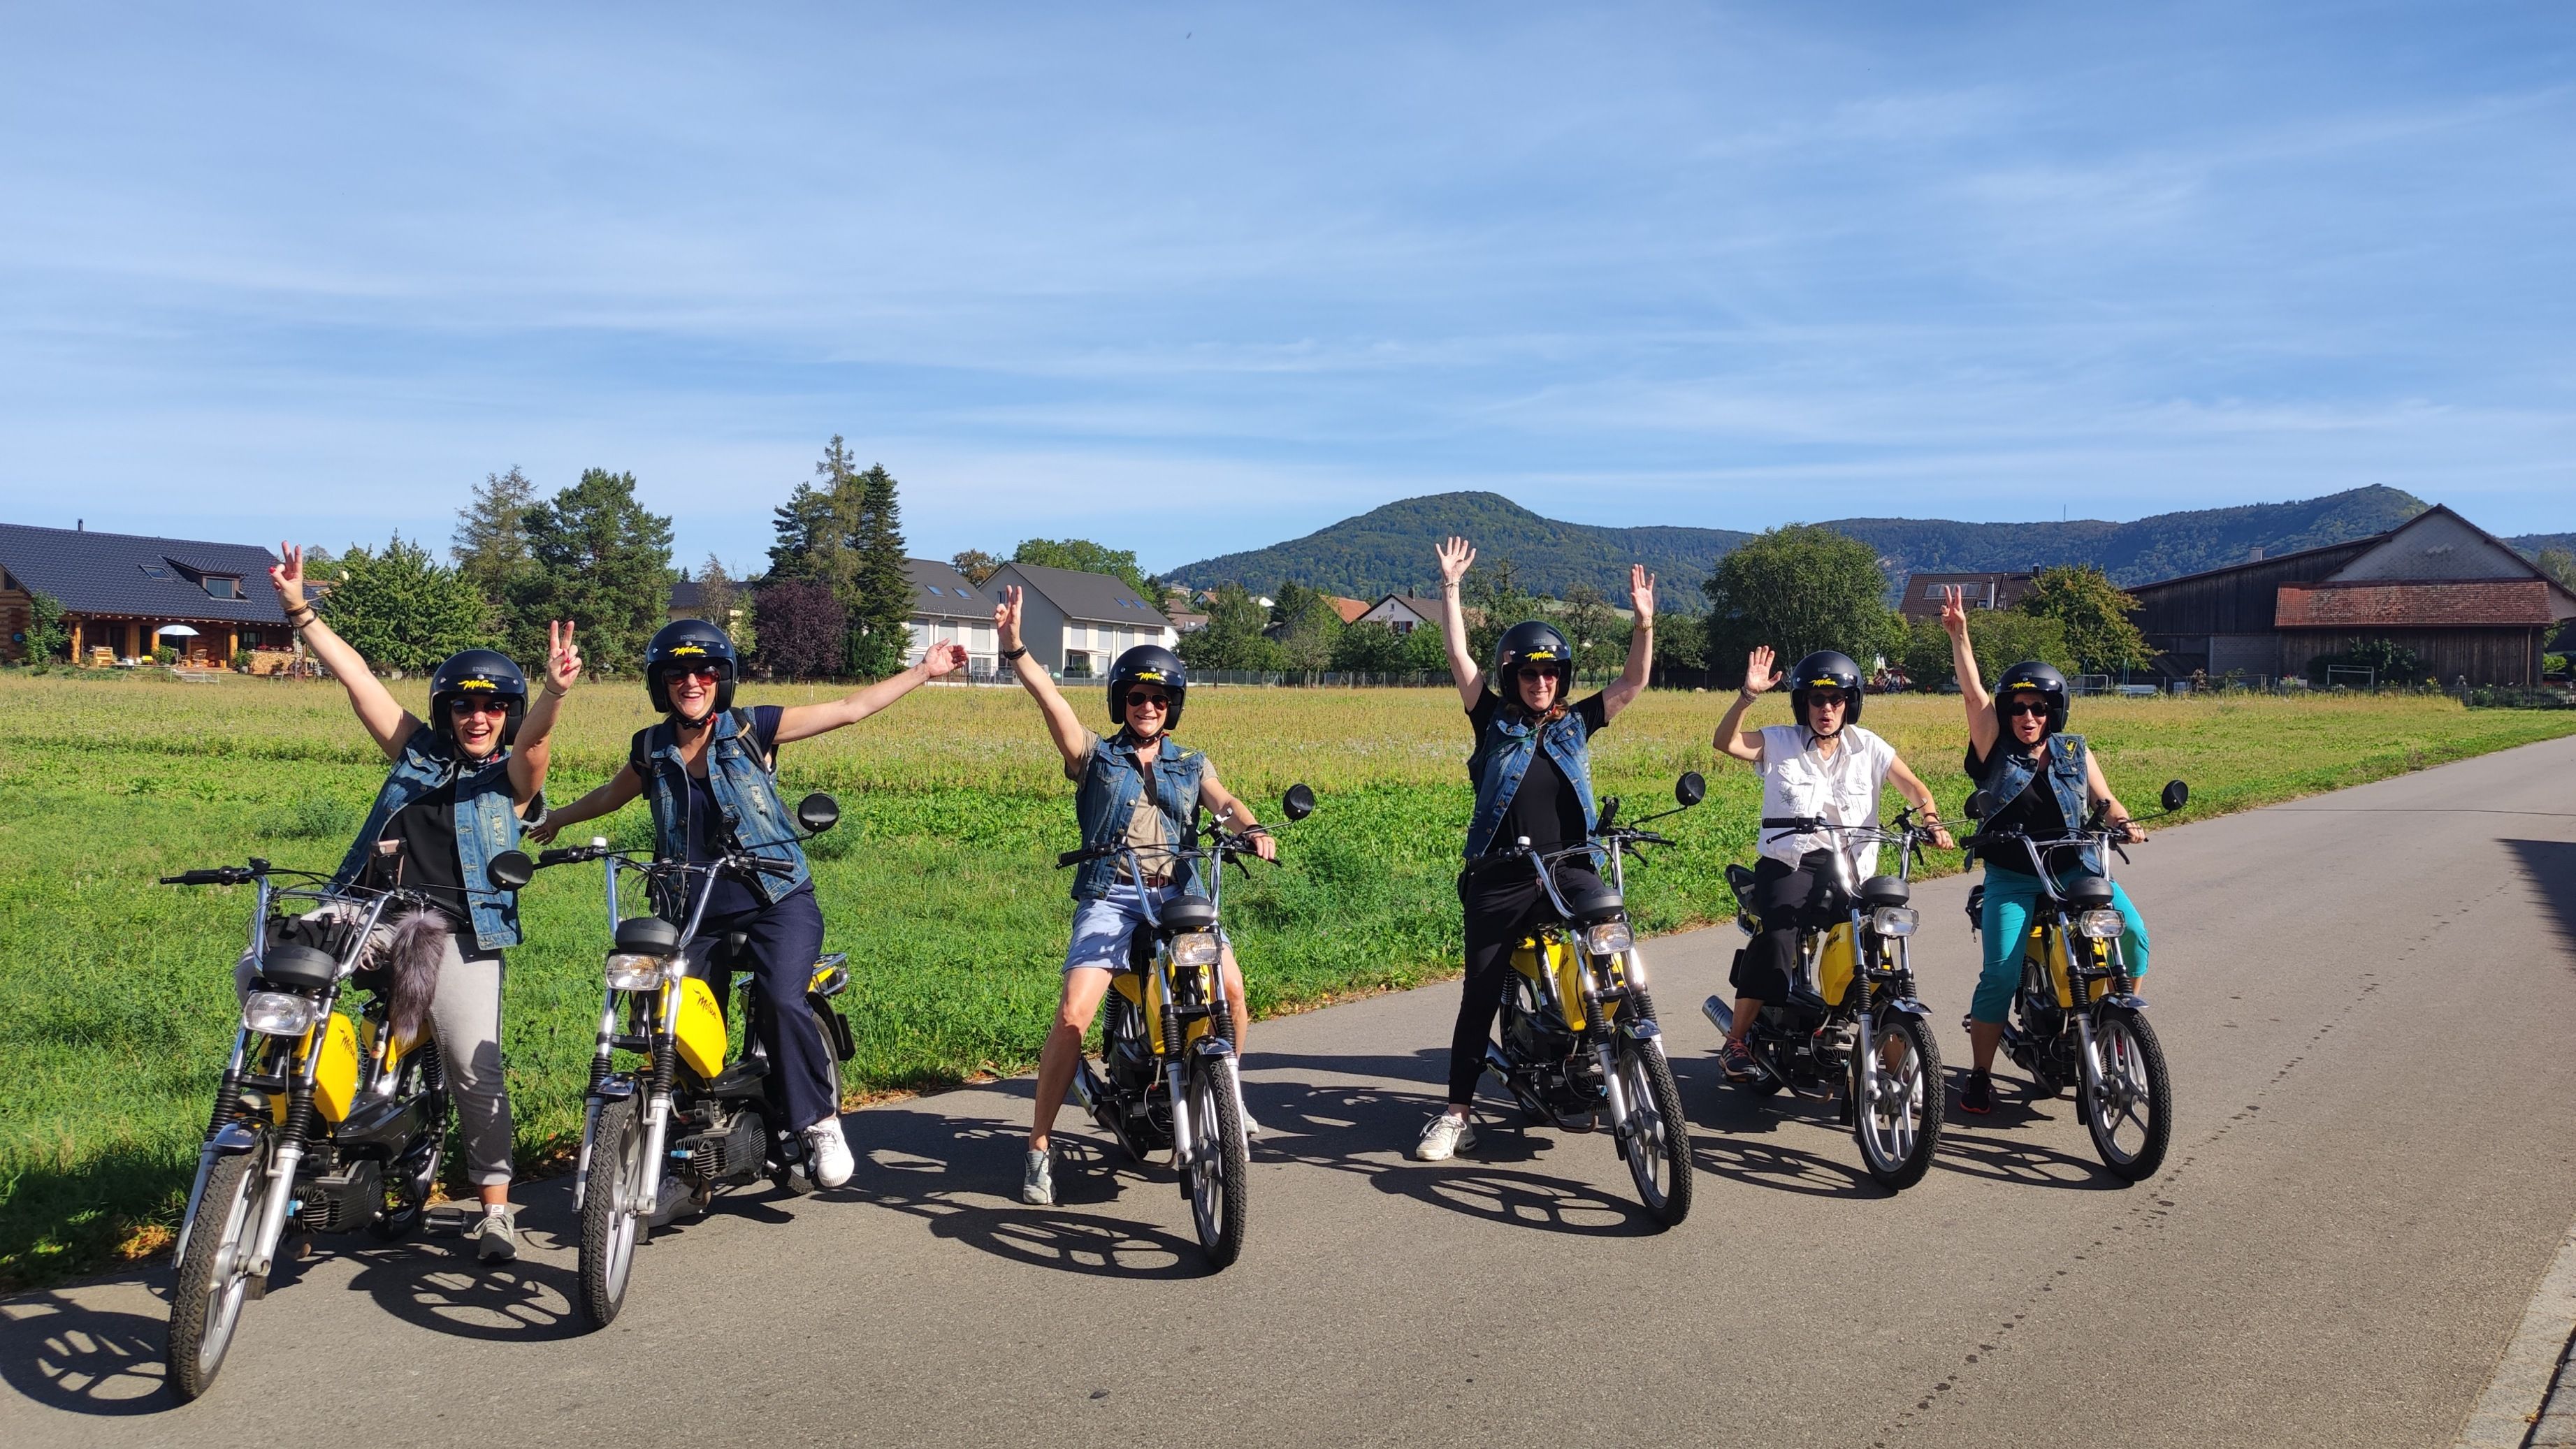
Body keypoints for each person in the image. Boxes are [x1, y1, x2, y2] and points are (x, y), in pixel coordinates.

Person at [531, 618, 967, 1189]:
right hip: (694, 910)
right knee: (676, 1027)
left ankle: (819, 1121)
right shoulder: (652, 746)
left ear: (723, 679)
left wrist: (923, 672)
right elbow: (613, 795)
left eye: (705, 670)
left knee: (781, 1000)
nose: (693, 681)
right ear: (660, 683)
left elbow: (848, 708)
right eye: (679, 672)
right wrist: (556, 818)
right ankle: (684, 1148)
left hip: (776, 896)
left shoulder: (751, 728)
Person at [268, 544, 581, 1262]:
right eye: (466, 704)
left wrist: (554, 697)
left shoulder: (510, 778)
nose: (479, 717)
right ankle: (295, 1131)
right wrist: (298, 610)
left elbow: (535, 748)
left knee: (476, 1066)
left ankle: (494, 1207)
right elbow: (359, 680)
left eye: (494, 706)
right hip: (368, 912)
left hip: (461, 931)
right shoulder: (417, 751)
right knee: (269, 969)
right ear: (447, 709)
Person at [992, 588, 1277, 1207]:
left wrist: (1250, 829)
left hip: (1178, 892)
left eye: (1158, 698)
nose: (1147, 706)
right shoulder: (1095, 756)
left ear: (1172, 706)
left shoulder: (1189, 763)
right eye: (1136, 697)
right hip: (1113, 894)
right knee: (1073, 1015)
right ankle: (1039, 1146)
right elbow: (1053, 703)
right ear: (1122, 702)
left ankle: (1226, 1100)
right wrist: (1015, 647)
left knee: (1230, 991)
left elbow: (1225, 803)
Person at [1414, 537, 1657, 1162]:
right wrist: (1450, 588)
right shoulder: (1491, 718)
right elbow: (1458, 654)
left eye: (1550, 672)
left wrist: (1644, 621)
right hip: (1501, 875)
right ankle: (1457, 1114)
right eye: (1530, 672)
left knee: (1612, 926)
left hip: (1568, 866)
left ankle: (1634, 1037)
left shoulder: (1578, 722)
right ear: (1512, 678)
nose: (1541, 681)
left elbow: (1634, 681)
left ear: (1563, 678)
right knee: (1480, 991)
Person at [1939, 586, 2150, 1114]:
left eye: (2038, 708)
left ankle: (2108, 1025)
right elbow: (1973, 697)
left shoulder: (2074, 749)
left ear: (2052, 711)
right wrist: (1960, 636)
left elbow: (2105, 800)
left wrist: (2125, 823)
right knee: (2000, 973)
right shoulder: (1995, 748)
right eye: (2019, 708)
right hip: (2014, 874)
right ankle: (1982, 1076)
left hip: (2076, 870)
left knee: (2136, 938)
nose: (2027, 717)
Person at [1705, 647, 1953, 1082]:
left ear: (1849, 704)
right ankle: (1737, 1042)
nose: (1826, 709)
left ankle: (1875, 1041)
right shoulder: (1780, 741)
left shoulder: (1870, 747)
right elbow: (1725, 742)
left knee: (1876, 938)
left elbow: (1915, 788)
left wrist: (1931, 821)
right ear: (1804, 704)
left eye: (1836, 700)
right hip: (1790, 860)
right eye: (1817, 700)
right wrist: (1747, 694)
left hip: (1851, 865)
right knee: (1780, 933)